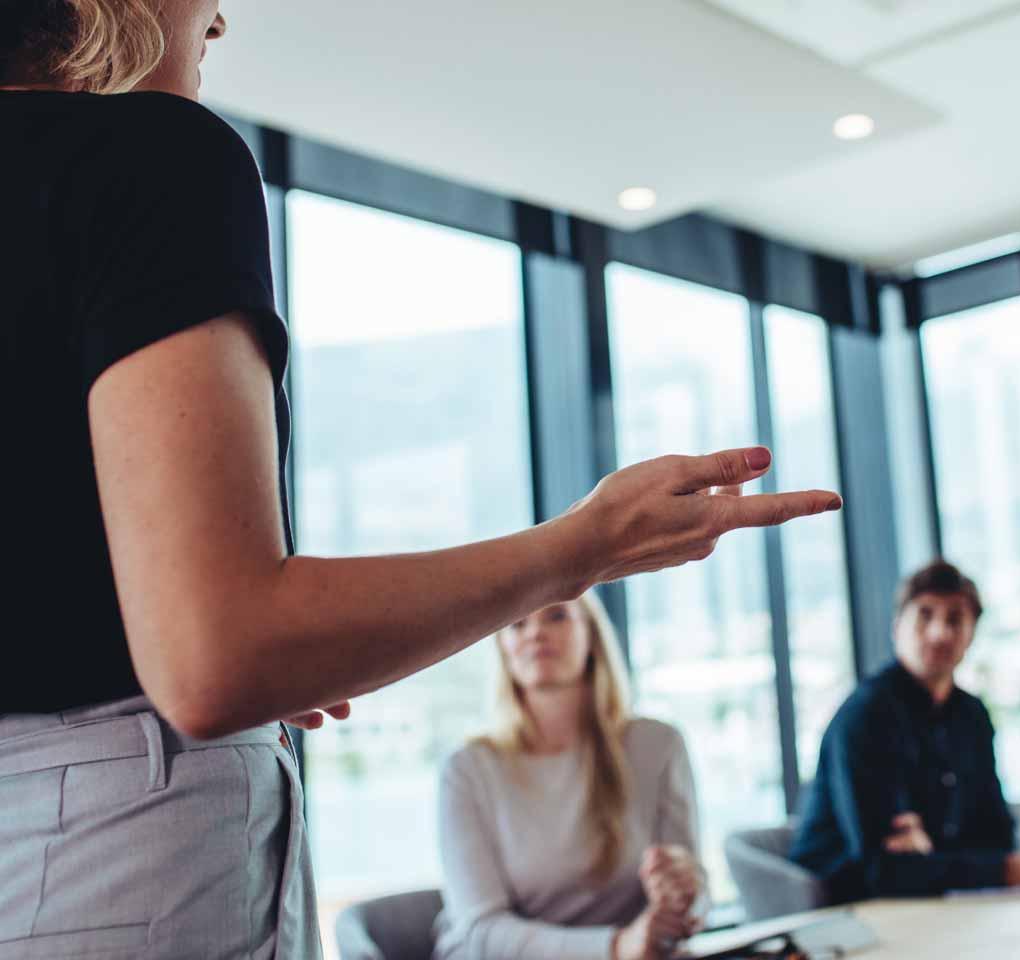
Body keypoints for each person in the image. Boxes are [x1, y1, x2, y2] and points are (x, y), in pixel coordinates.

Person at [0, 3, 840, 956]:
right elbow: (212, 658)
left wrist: (249, 641)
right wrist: (589, 545)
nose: (221, 19)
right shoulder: (157, 156)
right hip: (109, 857)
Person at [789, 561, 1020, 903]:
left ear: (972, 634)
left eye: (955, 619)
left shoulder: (971, 715)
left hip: (934, 900)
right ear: (896, 627)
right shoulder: (865, 717)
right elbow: (879, 868)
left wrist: (932, 849)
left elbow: (996, 834)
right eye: (925, 615)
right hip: (843, 909)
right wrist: (1012, 869)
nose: (939, 633)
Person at [434, 594, 702, 960]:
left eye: (557, 617)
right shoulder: (467, 770)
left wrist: (687, 895)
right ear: (503, 647)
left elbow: (694, 899)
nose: (536, 634)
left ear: (592, 636)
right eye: (518, 624)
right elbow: (482, 932)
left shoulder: (658, 745)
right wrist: (616, 947)